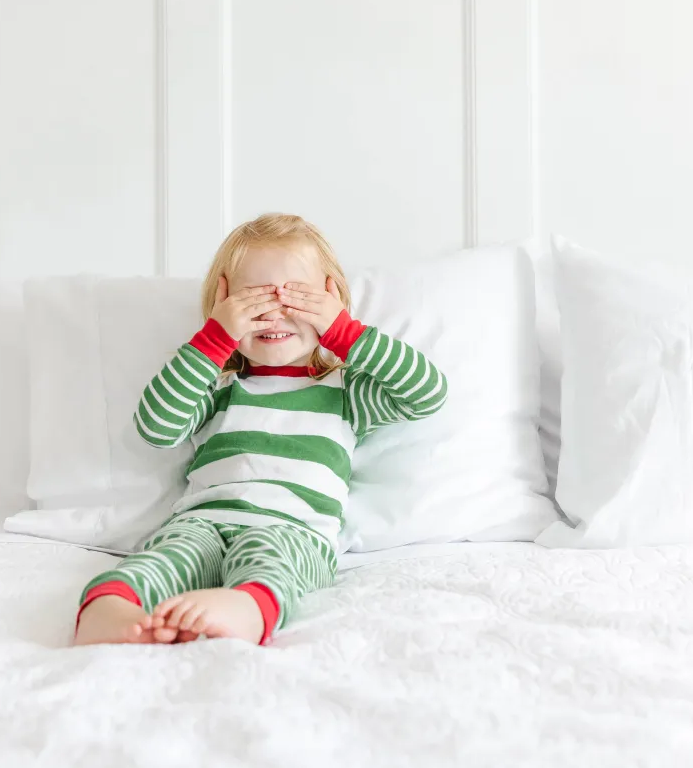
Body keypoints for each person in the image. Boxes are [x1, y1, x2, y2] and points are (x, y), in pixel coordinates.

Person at [72, 213, 447, 646]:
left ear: (331, 300)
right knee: (162, 558)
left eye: (297, 300)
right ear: (222, 304)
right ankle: (110, 609)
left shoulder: (345, 394)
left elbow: (426, 392)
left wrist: (343, 330)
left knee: (274, 564)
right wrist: (215, 339)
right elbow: (156, 427)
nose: (273, 316)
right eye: (252, 301)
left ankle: (245, 609)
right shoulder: (219, 387)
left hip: (294, 531)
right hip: (202, 522)